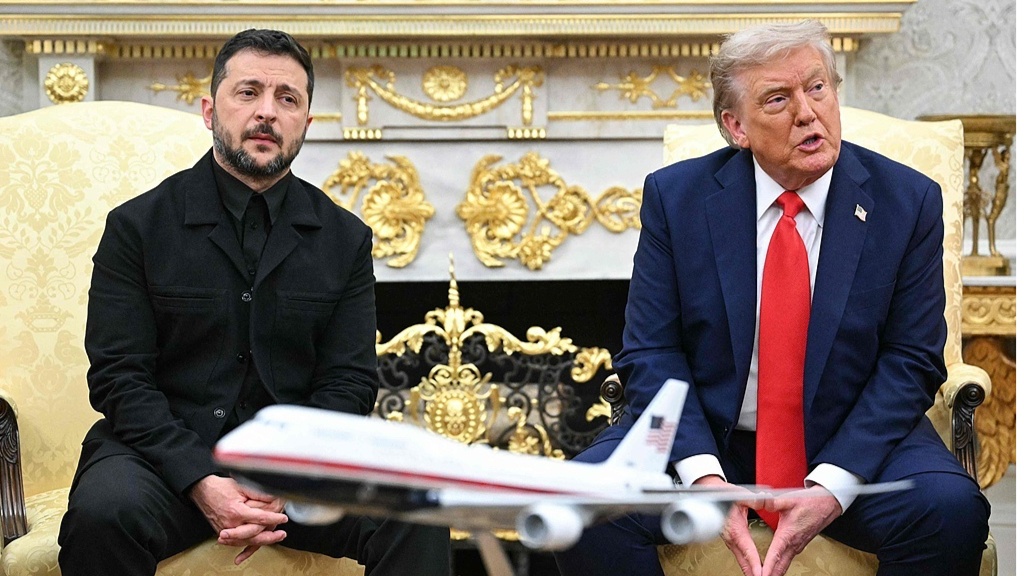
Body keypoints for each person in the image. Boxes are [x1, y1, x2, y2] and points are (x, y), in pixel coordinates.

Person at [555, 20, 989, 576]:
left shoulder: (906, 201)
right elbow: (651, 350)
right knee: (582, 504)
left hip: (854, 440)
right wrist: (703, 476)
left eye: (817, 87)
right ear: (736, 126)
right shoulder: (677, 199)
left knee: (950, 511)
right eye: (778, 99)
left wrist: (833, 485)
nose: (807, 113)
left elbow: (912, 358)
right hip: (711, 435)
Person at [57, 28, 451, 576]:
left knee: (418, 510)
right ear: (208, 111)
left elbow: (349, 382)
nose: (267, 111)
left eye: (287, 98)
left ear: (306, 123)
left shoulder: (346, 239)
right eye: (248, 92)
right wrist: (199, 478)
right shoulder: (137, 227)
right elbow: (119, 377)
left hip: (300, 470)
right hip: (161, 462)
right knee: (105, 513)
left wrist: (284, 476)